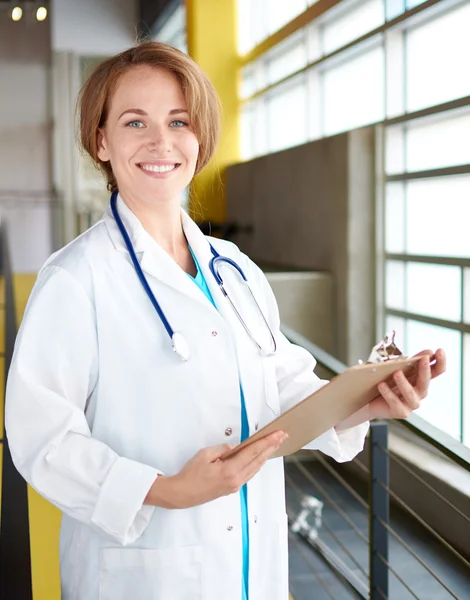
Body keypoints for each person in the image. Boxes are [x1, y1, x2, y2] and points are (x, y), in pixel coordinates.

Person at [5, 42, 446, 600]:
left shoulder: (233, 268)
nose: (160, 141)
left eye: (179, 121)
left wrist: (364, 401)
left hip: (250, 566)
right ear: (101, 140)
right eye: (134, 121)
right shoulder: (75, 279)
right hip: (147, 575)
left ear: (199, 138)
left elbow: (282, 382)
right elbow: (42, 438)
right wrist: (166, 490)